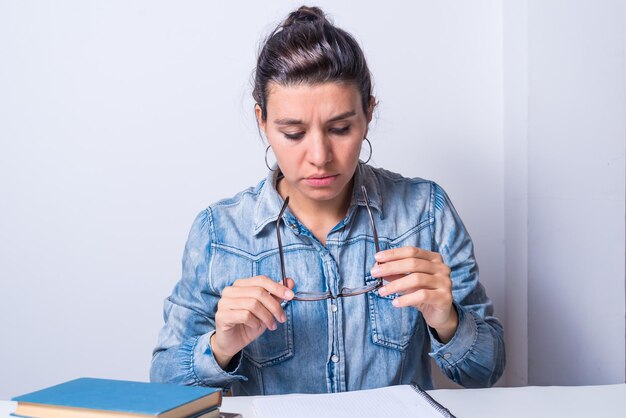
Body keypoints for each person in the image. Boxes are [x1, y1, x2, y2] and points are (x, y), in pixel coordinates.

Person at [150, 5, 505, 395]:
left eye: (340, 128)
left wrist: (447, 320)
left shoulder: (425, 211)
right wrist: (220, 348)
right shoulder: (219, 232)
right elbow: (164, 383)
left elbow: (485, 370)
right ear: (262, 122)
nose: (319, 156)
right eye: (293, 132)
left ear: (369, 113)